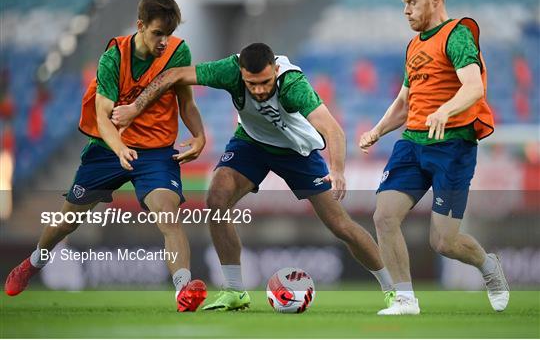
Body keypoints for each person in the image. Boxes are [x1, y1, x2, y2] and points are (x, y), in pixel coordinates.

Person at [111, 42, 396, 312]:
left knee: (339, 225)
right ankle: (235, 291)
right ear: (241, 74)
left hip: (297, 152)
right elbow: (174, 74)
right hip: (251, 144)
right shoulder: (229, 71)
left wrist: (337, 171)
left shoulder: (293, 85)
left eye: (265, 82)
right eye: (251, 84)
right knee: (216, 198)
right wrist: (136, 108)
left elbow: (333, 130)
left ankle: (393, 289)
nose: (259, 90)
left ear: (274, 69)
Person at [4, 0, 208, 312]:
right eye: (157, 34)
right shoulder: (114, 57)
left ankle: (184, 289)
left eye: (169, 34)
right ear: (140, 26)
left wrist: (199, 136)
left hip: (155, 152)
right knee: (66, 223)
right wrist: (120, 148)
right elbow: (103, 115)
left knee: (169, 217)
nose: (163, 42)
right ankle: (33, 262)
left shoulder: (177, 51)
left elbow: (187, 102)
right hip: (108, 149)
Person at [358, 0, 509, 315]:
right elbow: (404, 101)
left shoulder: (456, 35)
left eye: (412, 2)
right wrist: (378, 130)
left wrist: (445, 110)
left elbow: (474, 87)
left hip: (452, 146)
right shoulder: (413, 45)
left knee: (443, 241)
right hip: (412, 143)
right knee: (384, 216)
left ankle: (489, 267)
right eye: (404, 3)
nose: (406, 10)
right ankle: (405, 299)